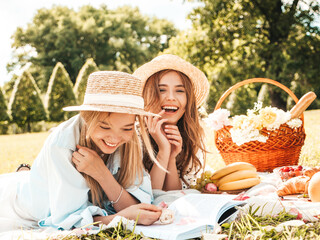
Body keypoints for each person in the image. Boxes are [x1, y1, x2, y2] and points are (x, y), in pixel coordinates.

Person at [0, 71, 162, 232]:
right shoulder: (62, 145)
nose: (115, 138)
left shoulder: (130, 140)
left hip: (41, 183)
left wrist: (102, 174)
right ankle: (24, 174)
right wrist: (122, 218)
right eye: (104, 126)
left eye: (126, 128)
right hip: (20, 206)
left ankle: (25, 172)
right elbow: (69, 223)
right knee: (16, 186)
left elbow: (138, 208)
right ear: (86, 117)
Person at [133, 54, 210, 191]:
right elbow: (148, 197)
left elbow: (174, 195)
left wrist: (171, 158)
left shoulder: (191, 135)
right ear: (146, 96)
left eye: (180, 91)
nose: (171, 98)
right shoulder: (133, 136)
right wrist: (163, 151)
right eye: (161, 90)